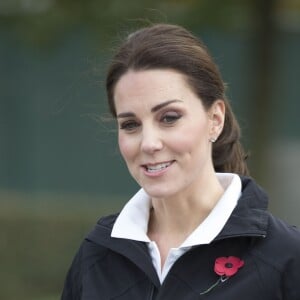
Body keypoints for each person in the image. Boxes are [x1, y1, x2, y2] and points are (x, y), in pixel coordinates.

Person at [61, 23, 300, 300]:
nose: (149, 143)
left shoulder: (286, 259)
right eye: (130, 124)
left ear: (215, 119)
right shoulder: (97, 255)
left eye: (169, 118)